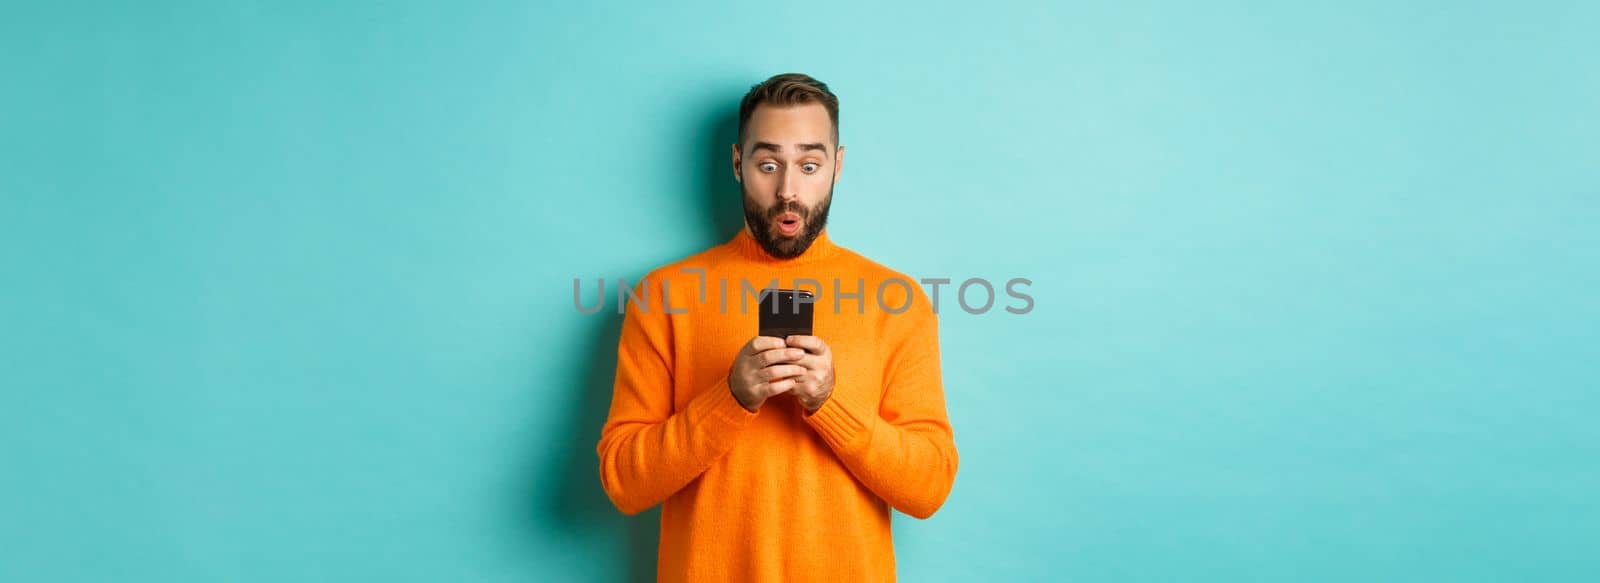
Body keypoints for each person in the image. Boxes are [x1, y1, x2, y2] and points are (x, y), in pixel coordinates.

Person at [596, 72, 958, 582]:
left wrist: (830, 402)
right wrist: (731, 399)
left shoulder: (896, 302)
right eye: (768, 164)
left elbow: (929, 488)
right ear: (738, 164)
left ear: (837, 166)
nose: (788, 190)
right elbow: (623, 482)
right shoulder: (664, 296)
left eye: (809, 165)